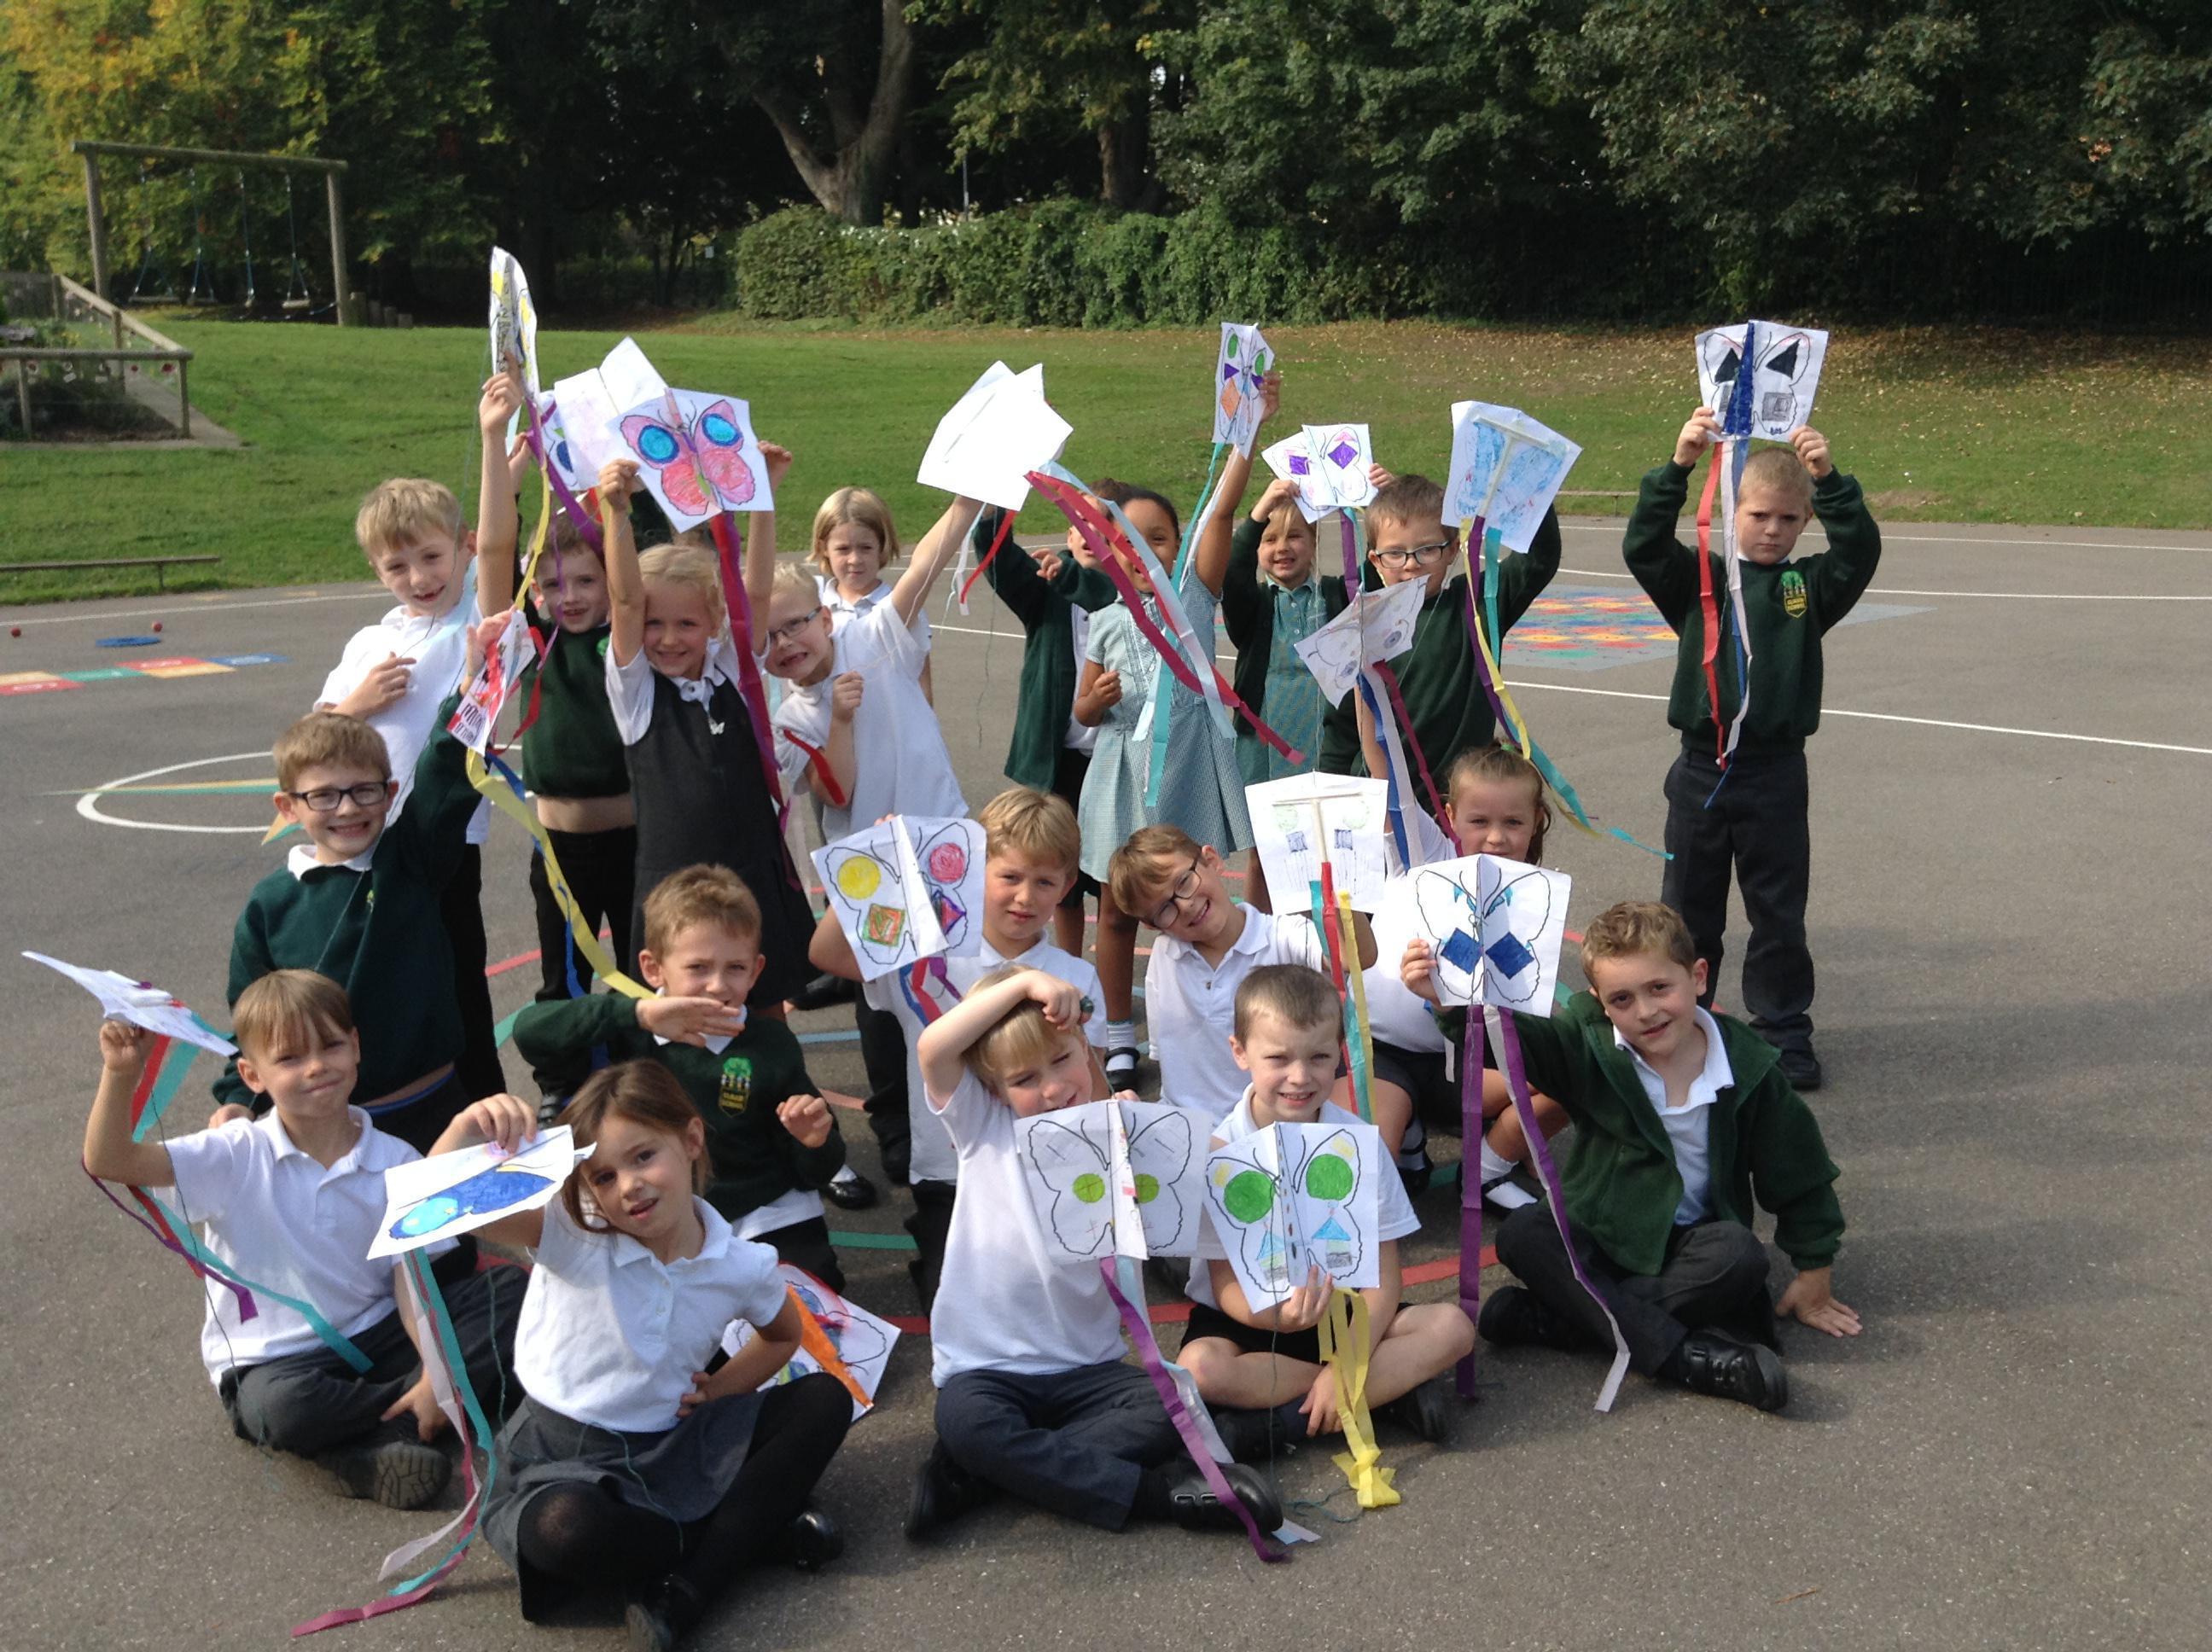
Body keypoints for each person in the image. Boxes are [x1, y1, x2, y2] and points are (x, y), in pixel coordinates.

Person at [1403, 899, 1862, 1412]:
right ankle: (1688, 1357)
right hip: (1601, 1232)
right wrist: (1450, 1002)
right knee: (1524, 1234)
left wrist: (1814, 1268)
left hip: (1691, 1245)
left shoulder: (1748, 1067)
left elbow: (1798, 1169)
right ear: (1599, 1002)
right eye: (1622, 998)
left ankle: (1568, 1319)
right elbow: (1512, 1041)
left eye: (1660, 988)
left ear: (1698, 977)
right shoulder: (1590, 1048)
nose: (1646, 1011)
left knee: (1740, 1256)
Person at [83, 970, 520, 1507]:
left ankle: (390, 1426)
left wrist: (435, 1372)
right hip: (278, 1362)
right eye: (289, 1058)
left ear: (355, 1047)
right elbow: (110, 1160)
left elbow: (410, 1282)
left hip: (381, 1335)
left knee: (512, 1295)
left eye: (331, 1046)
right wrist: (120, 1073)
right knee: (283, 1408)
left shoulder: (395, 1159)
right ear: (252, 1075)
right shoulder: (236, 1152)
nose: (316, 1067)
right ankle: (382, 1439)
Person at [453, 1066, 850, 1646]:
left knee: (824, 1398)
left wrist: (720, 1390)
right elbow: (452, 1207)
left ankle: (690, 1587)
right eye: (604, 1176)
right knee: (564, 1530)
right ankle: (741, 1537)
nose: (629, 1186)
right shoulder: (572, 1232)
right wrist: (465, 1131)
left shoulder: (741, 1263)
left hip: (673, 1443)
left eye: (643, 1157)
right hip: (560, 1458)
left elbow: (782, 1337)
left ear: (691, 1140)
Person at [904, 965, 1284, 1540]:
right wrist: (1026, 985)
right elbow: (933, 1047)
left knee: (1171, 1407)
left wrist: (1148, 1139)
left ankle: (976, 1476)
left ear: (1086, 1049)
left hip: (1089, 1371)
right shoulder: (982, 1125)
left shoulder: (1121, 1128)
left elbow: (1213, 1172)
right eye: (1024, 1078)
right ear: (994, 1089)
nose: (1053, 1087)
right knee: (969, 1423)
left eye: (1062, 1060)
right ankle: (1160, 1496)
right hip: (988, 1372)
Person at [1623, 415, 1881, 1091]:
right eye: (1759, 515)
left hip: (1774, 773)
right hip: (1700, 770)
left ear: (1805, 523)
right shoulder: (1698, 582)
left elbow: (1860, 552)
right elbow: (1644, 544)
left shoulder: (1806, 589)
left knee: (1778, 913)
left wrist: (1829, 479)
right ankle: (1683, 1028)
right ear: (1730, 513)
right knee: (1688, 914)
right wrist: (1678, 466)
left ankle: (1784, 1031)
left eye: (1789, 519)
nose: (1772, 530)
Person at [808, 786, 1106, 1309]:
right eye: (1009, 877)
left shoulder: (1075, 978)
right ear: (975, 870)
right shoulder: (926, 953)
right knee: (959, 1303)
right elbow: (826, 953)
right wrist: (877, 861)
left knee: (1047, 1300)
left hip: (1043, 1168)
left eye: (1044, 882)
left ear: (1066, 886)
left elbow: (1095, 1085)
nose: (1025, 897)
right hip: (947, 1173)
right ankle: (931, 1243)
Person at [767, 488, 981, 1204]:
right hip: (868, 865)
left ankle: (967, 1108)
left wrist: (967, 501)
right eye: (770, 638)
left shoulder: (877, 634)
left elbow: (925, 567)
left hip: (939, 835)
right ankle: (896, 1121)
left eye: (797, 625)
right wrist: (839, 719)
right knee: (884, 1003)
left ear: (826, 616)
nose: (786, 643)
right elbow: (837, 790)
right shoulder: (794, 716)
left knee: (959, 979)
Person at [210, 622, 496, 1148]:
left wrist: (477, 684)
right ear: (288, 807)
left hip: (433, 1114)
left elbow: (447, 766)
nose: (346, 809)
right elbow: (252, 1020)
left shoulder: (412, 862)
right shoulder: (269, 906)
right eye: (323, 796)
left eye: (364, 791)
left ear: (390, 793)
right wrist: (236, 1100)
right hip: (322, 1130)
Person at [512, 864, 850, 1288]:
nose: (717, 985)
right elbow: (531, 1031)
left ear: (756, 969)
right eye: (698, 968)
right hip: (653, 1215)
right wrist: (638, 1013)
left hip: (761, 1212)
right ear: (654, 969)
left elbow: (817, 1168)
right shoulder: (629, 1030)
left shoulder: (770, 1045)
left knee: (809, 1297)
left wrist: (813, 1141)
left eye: (735, 968)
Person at [1177, 965, 1473, 1448]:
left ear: (1339, 1051)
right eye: (1278, 1058)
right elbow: (1225, 1283)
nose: (1300, 1077)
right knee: (1199, 1369)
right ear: (1240, 1052)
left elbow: (1383, 1279)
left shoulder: (1357, 1143)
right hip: (1255, 1320)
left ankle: (1301, 1412)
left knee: (1452, 1327)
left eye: (1318, 1057)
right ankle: (1381, 1394)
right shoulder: (1222, 1153)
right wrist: (1283, 1320)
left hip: (1346, 1310)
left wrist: (1349, 1360)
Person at [598, 445, 816, 1009]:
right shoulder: (637, 690)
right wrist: (615, 511)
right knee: (683, 1021)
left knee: (763, 1008)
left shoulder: (733, 671)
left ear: (715, 621)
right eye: (655, 625)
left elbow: (757, 592)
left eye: (686, 624)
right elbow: (625, 600)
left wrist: (762, 495)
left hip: (751, 872)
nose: (668, 639)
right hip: (675, 888)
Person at [474, 371, 635, 1111]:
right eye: (552, 584)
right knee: (562, 978)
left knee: (640, 970)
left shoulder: (626, 638)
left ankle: (638, 1078)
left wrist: (619, 501)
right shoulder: (530, 640)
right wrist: (496, 445)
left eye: (584, 581)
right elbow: (494, 548)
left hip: (637, 840)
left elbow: (634, 579)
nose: (567, 596)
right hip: (561, 851)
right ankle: (562, 1085)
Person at [315, 472, 504, 1101]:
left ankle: (482, 1110)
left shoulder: (475, 615)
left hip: (441, 843)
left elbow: (500, 544)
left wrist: (501, 450)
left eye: (431, 557)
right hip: (360, 842)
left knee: (456, 986)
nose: (419, 577)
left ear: (465, 546)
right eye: (397, 566)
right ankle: (386, 1110)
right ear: (377, 571)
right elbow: (313, 740)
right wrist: (358, 703)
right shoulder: (371, 641)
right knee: (375, 985)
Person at [1073, 480, 1250, 1085]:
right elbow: (1082, 711)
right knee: (1117, 912)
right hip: (1124, 778)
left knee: (1194, 904)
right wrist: (1095, 701)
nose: (1144, 553)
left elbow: (1222, 511)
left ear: (1180, 546)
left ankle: (1200, 1023)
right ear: (1109, 551)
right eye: (1129, 542)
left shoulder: (1194, 598)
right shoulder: (1104, 622)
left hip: (1187, 772)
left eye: (1159, 539)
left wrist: (1242, 442)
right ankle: (1119, 1034)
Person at [1359, 743, 1569, 1206]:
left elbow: (1516, 1027)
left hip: (1461, 1068)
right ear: (1452, 816)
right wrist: (1364, 694)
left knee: (1574, 1072)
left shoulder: (1532, 900)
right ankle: (1408, 1132)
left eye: (1512, 822)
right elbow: (1382, 761)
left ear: (1536, 819)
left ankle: (1488, 1169)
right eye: (1479, 821)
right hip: (1385, 1057)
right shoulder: (1423, 853)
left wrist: (1443, 1000)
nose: (1495, 837)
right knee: (1369, 1182)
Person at [1317, 473, 1561, 827]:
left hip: (1462, 811)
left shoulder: (1476, 604)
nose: (1411, 563)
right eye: (1395, 553)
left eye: (1427, 549)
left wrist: (1524, 479)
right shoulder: (1359, 626)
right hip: (1381, 813)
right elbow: (1340, 732)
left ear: (1453, 549)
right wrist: (1331, 802)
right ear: (1375, 560)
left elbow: (1540, 559)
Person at [1105, 824, 1374, 1134]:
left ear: (1211, 860)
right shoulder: (1165, 957)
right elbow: (1167, 1062)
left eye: (1184, 882)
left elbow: (1356, 957)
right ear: (1152, 925)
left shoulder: (1280, 936)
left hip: (1266, 1128)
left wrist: (1337, 884)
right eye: (1164, 909)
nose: (1185, 904)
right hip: (1189, 1131)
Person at [970, 501, 1120, 957]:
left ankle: (1106, 971)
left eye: (1104, 525)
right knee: (1058, 873)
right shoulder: (1046, 588)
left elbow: (1101, 592)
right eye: (1081, 526)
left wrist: (1069, 574)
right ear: (1069, 536)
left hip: (1115, 760)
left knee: (1112, 878)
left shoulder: (1130, 591)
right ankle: (1067, 962)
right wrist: (996, 506)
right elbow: (995, 553)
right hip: (1059, 761)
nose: (1091, 534)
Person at [808, 484, 934, 703]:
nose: (855, 559)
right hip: (828, 723)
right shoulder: (813, 606)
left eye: (865, 548)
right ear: (823, 548)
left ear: (882, 546)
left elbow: (921, 682)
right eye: (843, 549)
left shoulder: (900, 608)